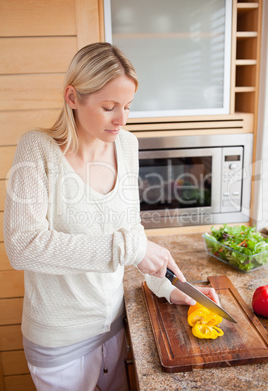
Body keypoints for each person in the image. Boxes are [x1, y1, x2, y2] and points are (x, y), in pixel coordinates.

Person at [4, 42, 219, 391]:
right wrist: (132, 247)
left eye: (128, 106)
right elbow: (23, 246)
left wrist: (168, 286)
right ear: (73, 97)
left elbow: (128, 232)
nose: (122, 119)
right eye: (108, 107)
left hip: (116, 328)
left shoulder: (127, 145)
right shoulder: (37, 149)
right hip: (60, 342)